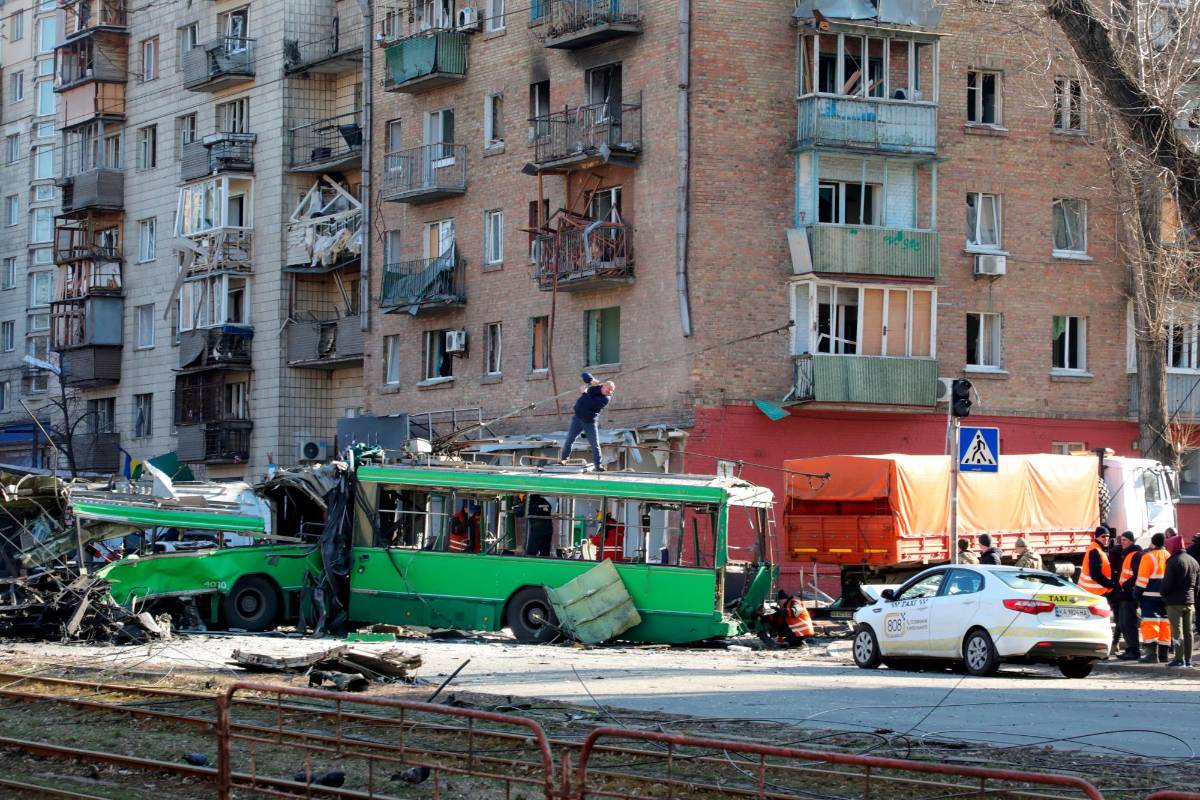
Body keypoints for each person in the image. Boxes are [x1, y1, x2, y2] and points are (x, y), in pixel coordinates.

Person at [560, 373, 616, 471]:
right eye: (608, 390)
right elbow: (584, 374)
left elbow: (591, 404)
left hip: (590, 422)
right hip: (578, 418)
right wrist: (591, 380)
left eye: (611, 391)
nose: (609, 392)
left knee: (595, 444)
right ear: (604, 386)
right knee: (569, 439)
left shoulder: (606, 399)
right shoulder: (596, 387)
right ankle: (564, 459)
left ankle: (598, 465)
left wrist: (584, 393)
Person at [1161, 533, 1199, 667]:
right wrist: (1193, 598)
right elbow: (1197, 585)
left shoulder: (1173, 562)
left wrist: (1163, 594)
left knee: (1177, 632)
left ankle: (1179, 658)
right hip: (1189, 602)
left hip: (1174, 602)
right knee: (1189, 632)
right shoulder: (1193, 561)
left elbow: (1167, 584)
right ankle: (1188, 659)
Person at [1134, 532, 1170, 663]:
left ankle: (1151, 655)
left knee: (1150, 624)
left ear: (1152, 543)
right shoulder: (1169, 555)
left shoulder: (1148, 557)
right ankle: (1164, 655)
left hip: (1149, 597)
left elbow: (1142, 580)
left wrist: (1136, 595)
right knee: (1165, 624)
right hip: (1166, 597)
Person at [1114, 531, 1144, 661]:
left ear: (1131, 541)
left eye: (1125, 540)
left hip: (1128, 595)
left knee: (1129, 623)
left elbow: (1137, 575)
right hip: (1124, 595)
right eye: (1121, 540)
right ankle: (1130, 649)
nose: (1122, 542)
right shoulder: (1126, 554)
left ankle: (1133, 650)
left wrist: (1125, 585)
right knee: (1123, 623)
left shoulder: (1135, 555)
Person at [1078, 527, 1115, 597]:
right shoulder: (1095, 550)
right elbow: (1095, 575)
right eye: (1103, 536)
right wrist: (1110, 584)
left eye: (1108, 536)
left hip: (1091, 591)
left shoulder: (1096, 547)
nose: (1106, 538)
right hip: (1094, 592)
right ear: (1097, 537)